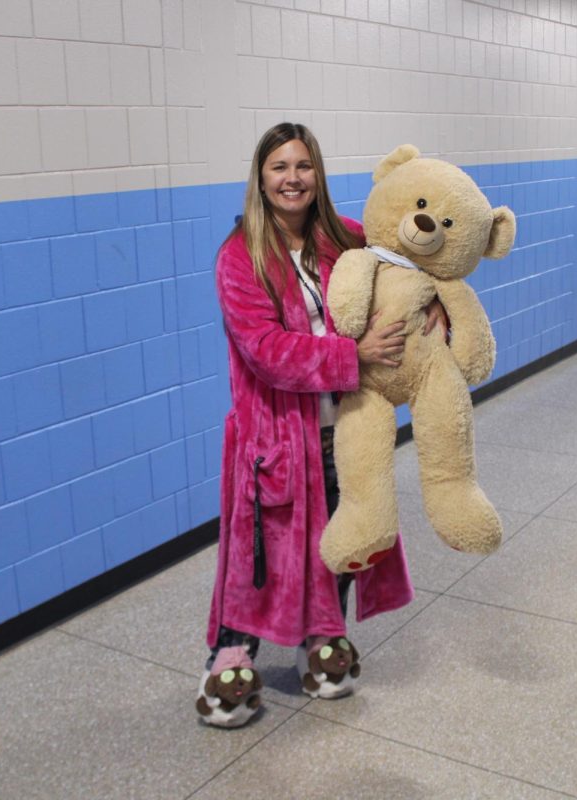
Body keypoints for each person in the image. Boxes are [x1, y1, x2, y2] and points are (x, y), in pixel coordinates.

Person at [199, 122, 447, 727]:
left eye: (303, 166)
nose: (293, 178)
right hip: (276, 435)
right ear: (261, 177)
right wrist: (351, 355)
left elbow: (403, 256)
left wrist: (433, 293)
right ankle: (231, 657)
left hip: (346, 425)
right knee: (260, 551)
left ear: (318, 175)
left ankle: (322, 638)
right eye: (280, 167)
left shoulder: (343, 237)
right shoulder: (240, 257)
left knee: (339, 535)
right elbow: (265, 349)